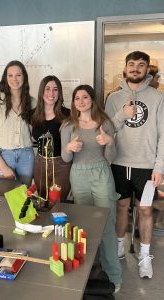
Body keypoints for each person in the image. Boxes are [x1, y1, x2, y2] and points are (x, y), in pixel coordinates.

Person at [105, 51, 164, 279]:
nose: (136, 69)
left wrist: (159, 167)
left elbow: (162, 135)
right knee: (121, 207)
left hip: (147, 167)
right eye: (132, 64)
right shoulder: (113, 98)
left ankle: (145, 256)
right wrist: (122, 114)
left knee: (146, 210)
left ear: (148, 69)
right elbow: (106, 130)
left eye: (141, 65)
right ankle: (119, 247)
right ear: (125, 67)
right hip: (119, 164)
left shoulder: (158, 98)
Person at [61, 84, 122, 291]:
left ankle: (114, 275)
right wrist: (69, 147)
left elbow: (111, 158)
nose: (81, 101)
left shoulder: (104, 123)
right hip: (78, 175)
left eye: (85, 97)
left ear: (92, 100)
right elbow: (65, 157)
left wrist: (110, 141)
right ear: (73, 102)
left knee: (106, 224)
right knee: (83, 227)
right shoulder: (68, 125)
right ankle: (87, 276)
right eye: (77, 98)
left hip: (102, 173)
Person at [0, 60, 35, 187]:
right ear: (5, 78)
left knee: (23, 198)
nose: (14, 79)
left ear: (24, 77)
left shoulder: (33, 102)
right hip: (4, 156)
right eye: (10, 75)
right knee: (4, 196)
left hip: (26, 156)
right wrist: (2, 166)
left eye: (18, 75)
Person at [31, 75, 71, 204]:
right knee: (41, 203)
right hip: (40, 164)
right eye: (47, 89)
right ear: (41, 91)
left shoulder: (68, 115)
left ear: (59, 92)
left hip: (61, 165)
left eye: (55, 89)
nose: (51, 93)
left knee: (57, 205)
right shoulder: (33, 115)